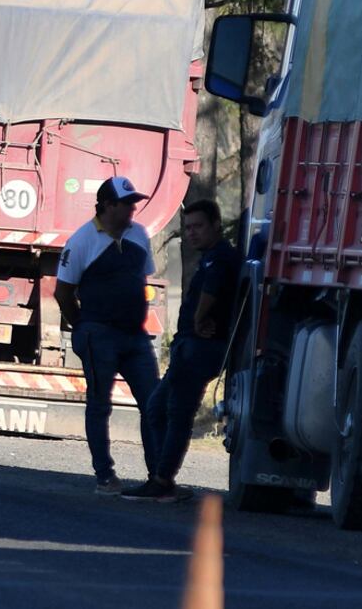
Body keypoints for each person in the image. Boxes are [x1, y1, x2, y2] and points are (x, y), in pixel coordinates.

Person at [122, 199, 240, 503]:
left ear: (216, 224)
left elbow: (212, 290)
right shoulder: (211, 257)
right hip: (191, 347)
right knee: (162, 409)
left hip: (199, 349)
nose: (192, 233)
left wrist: (200, 319)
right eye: (187, 228)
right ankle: (162, 478)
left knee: (172, 411)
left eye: (198, 226)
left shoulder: (221, 258)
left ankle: (162, 480)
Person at [55, 176, 161, 495]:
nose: (132, 209)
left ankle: (158, 477)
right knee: (100, 404)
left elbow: (140, 279)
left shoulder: (140, 235)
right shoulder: (82, 240)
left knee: (154, 403)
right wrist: (84, 326)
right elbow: (63, 292)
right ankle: (105, 475)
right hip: (98, 334)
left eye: (133, 203)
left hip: (135, 337)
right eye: (125, 203)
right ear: (106, 205)